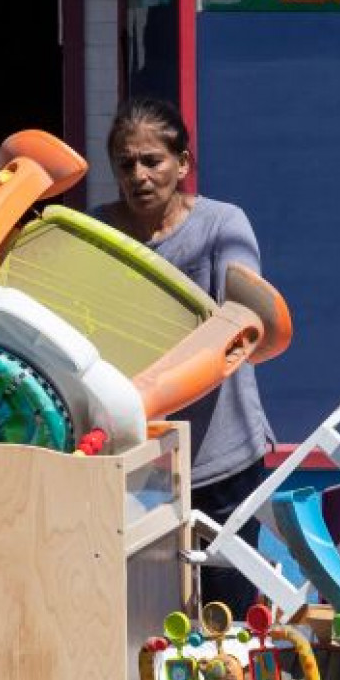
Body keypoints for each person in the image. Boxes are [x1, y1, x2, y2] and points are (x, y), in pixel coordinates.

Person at [93, 96, 274, 613]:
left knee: (229, 617)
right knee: (146, 619)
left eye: (153, 160)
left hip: (223, 460)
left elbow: (243, 316)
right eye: (126, 164)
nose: (140, 175)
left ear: (184, 164)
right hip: (136, 461)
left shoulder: (223, 225)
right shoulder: (97, 233)